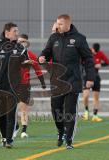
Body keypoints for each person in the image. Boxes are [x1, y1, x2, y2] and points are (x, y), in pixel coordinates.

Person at [38, 14, 95, 149]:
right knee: (55, 109)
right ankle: (60, 132)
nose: (58, 26)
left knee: (69, 111)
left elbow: (88, 59)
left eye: (61, 24)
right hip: (57, 81)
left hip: (73, 81)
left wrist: (90, 77)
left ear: (68, 24)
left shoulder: (79, 39)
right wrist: (42, 57)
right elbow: (46, 52)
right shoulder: (53, 38)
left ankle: (69, 140)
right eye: (57, 23)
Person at [0, 22, 28, 148]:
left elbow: (24, 64)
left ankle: (9, 140)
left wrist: (28, 63)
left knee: (11, 113)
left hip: (13, 87)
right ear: (7, 32)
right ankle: (3, 137)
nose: (17, 33)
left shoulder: (21, 48)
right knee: (2, 114)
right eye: (15, 31)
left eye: (17, 31)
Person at [13, 34, 46, 138]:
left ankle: (24, 130)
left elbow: (37, 69)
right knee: (11, 108)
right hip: (12, 84)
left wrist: (43, 83)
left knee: (24, 108)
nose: (21, 43)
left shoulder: (31, 55)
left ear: (27, 44)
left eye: (23, 41)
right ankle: (15, 126)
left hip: (25, 85)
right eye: (19, 41)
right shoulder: (12, 54)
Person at [82, 43, 109, 122]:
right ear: (92, 49)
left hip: (96, 77)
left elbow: (108, 62)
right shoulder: (87, 52)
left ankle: (95, 115)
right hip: (87, 76)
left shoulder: (100, 53)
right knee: (85, 95)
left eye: (96, 52)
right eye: (94, 51)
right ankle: (86, 111)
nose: (95, 53)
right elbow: (82, 62)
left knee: (96, 97)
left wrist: (101, 64)